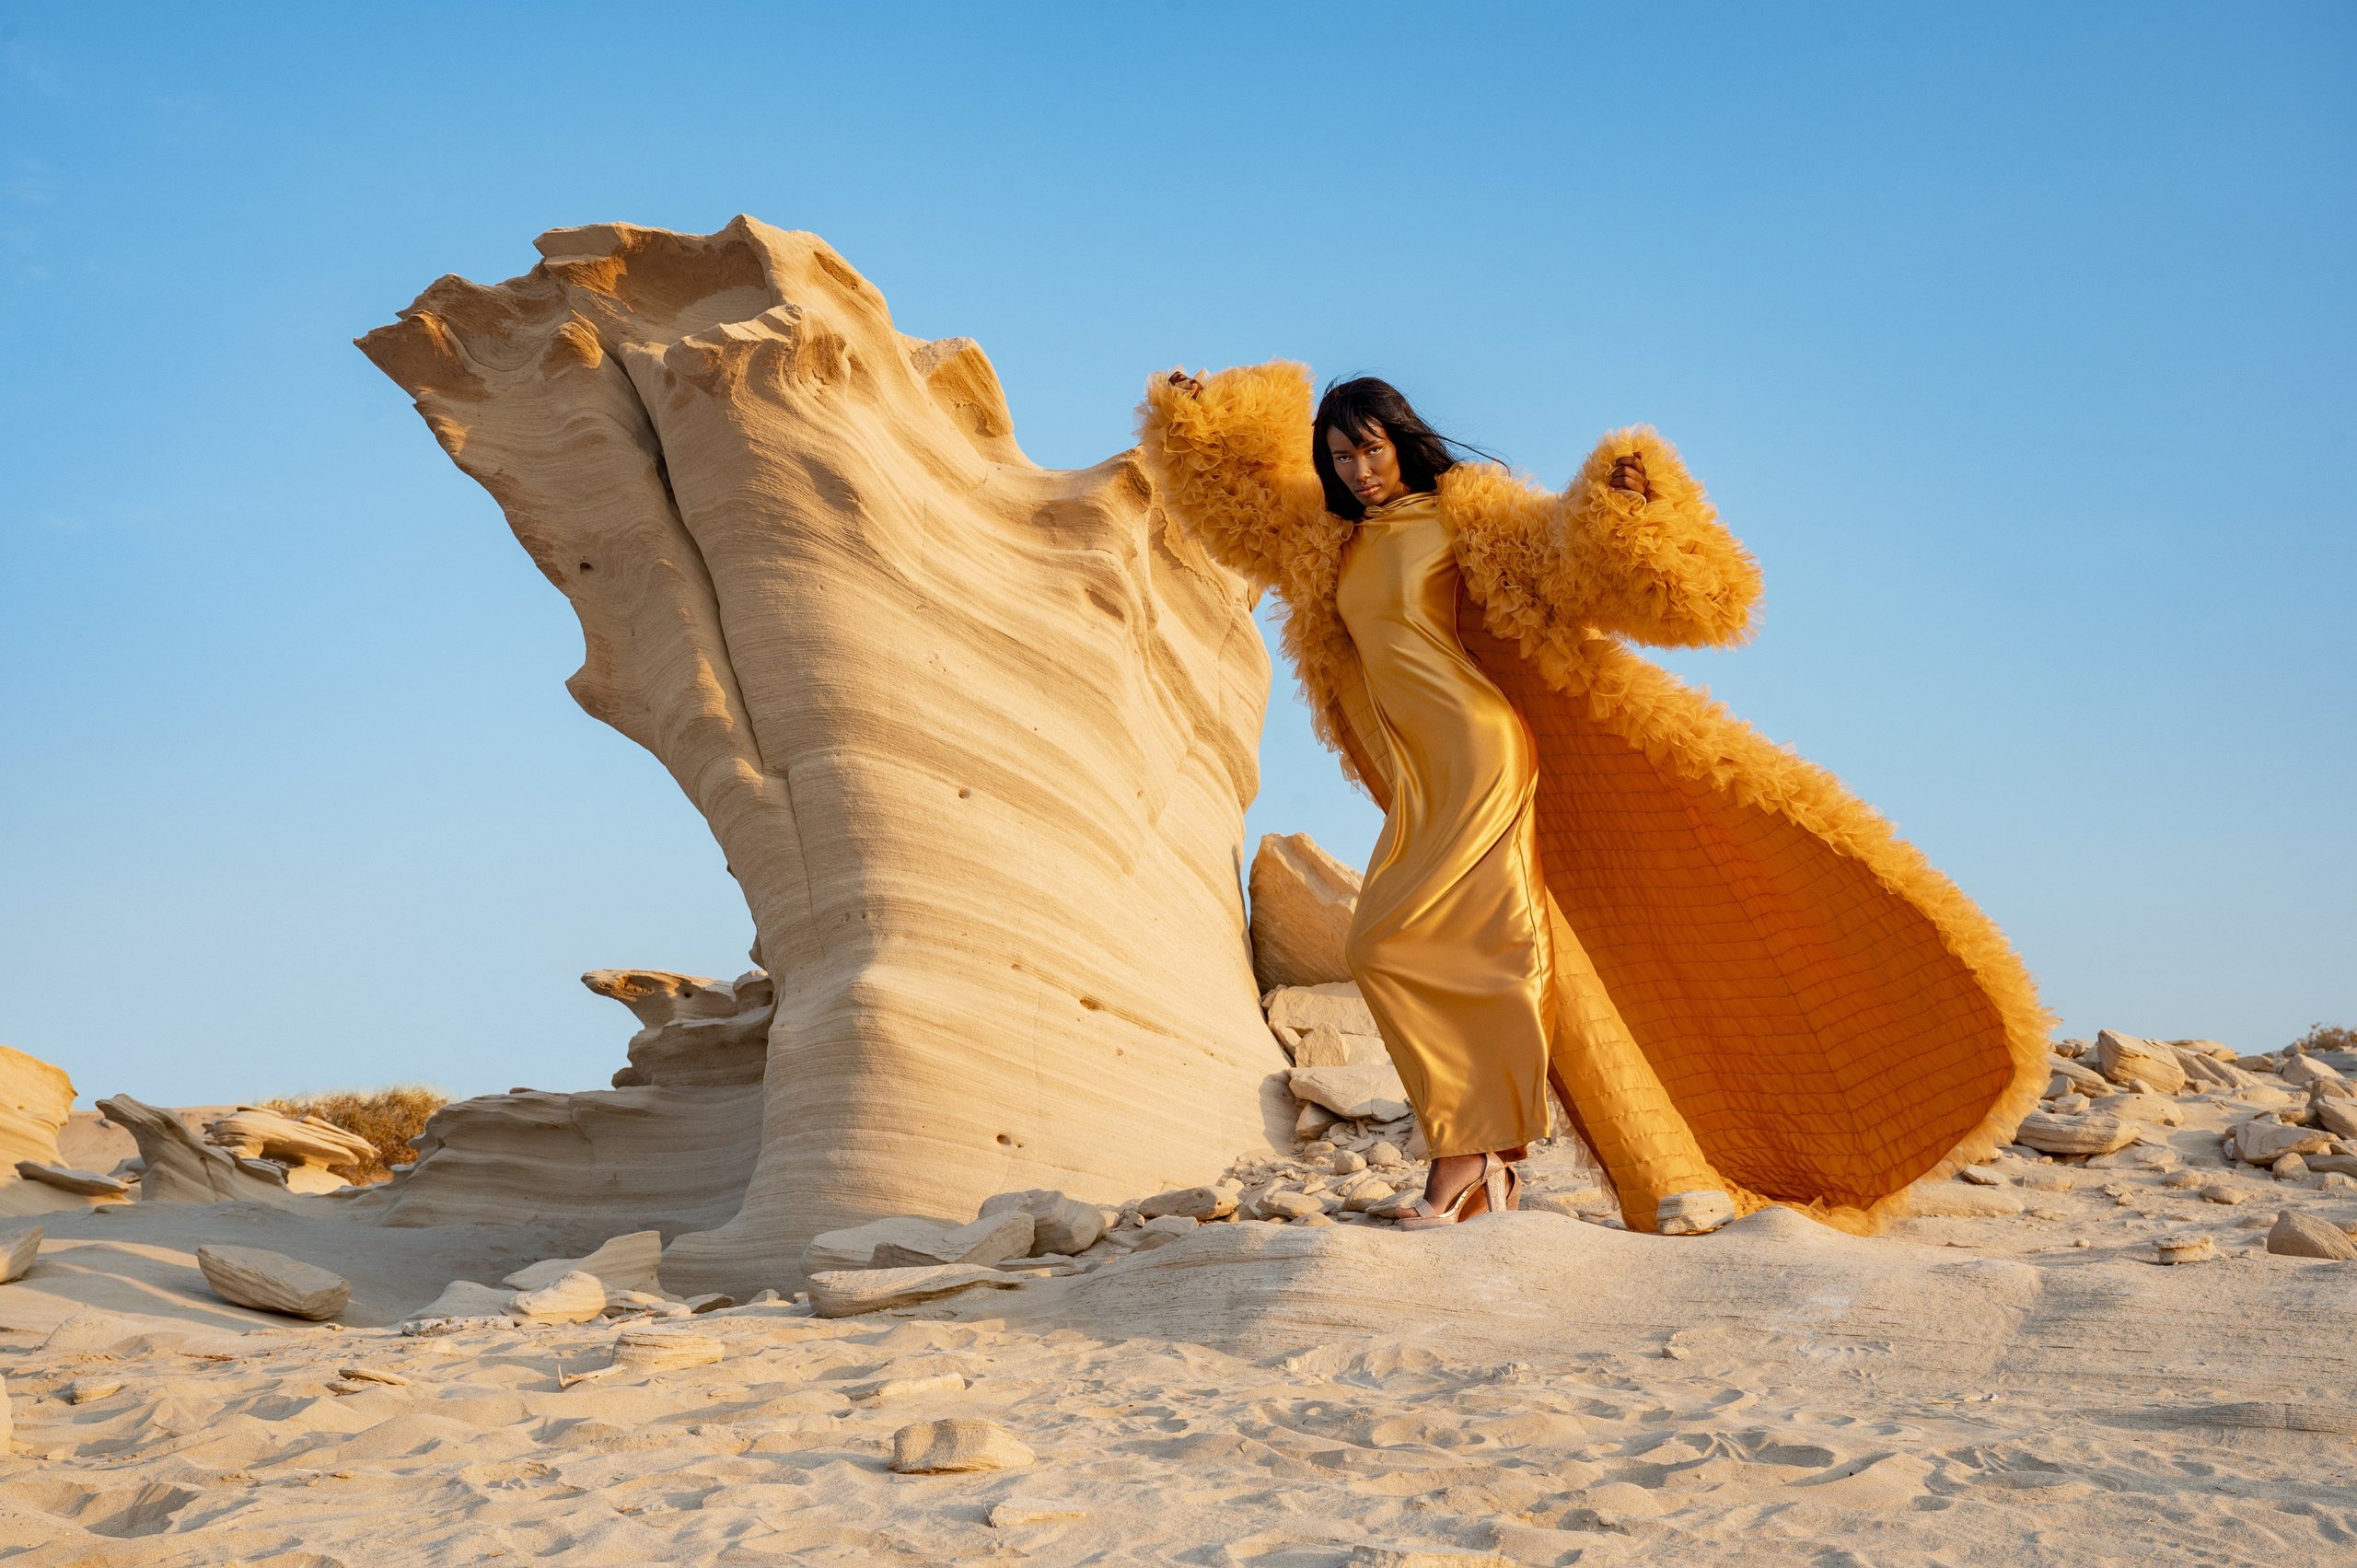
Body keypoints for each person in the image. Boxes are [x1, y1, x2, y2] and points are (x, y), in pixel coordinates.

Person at [1138, 363, 2049, 1237]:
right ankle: (1481, 1163)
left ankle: (1468, 1163)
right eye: (1339, 456)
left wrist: (1616, 497)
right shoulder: (1328, 538)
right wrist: (1198, 416)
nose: (1358, 469)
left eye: (1370, 447)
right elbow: (1246, 507)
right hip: (1417, 765)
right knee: (1393, 945)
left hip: (1479, 747)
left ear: (1403, 441)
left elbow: (1559, 545)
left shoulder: (1468, 511)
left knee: (1431, 940)